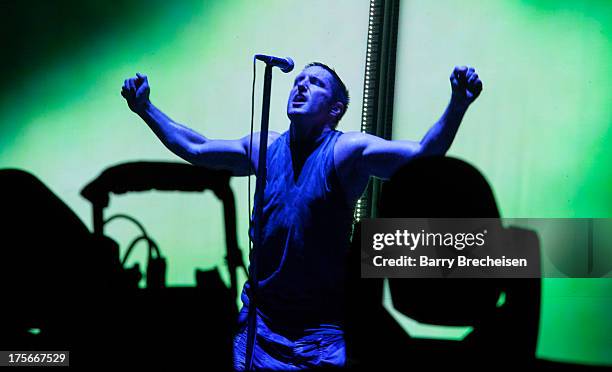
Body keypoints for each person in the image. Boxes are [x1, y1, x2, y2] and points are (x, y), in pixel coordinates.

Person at [121, 62, 482, 370]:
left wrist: (457, 106)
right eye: (297, 81)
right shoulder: (263, 146)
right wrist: (145, 108)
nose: (301, 85)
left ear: (336, 108)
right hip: (259, 329)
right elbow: (195, 148)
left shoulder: (346, 151)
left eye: (315, 83)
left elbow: (421, 156)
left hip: (321, 335)